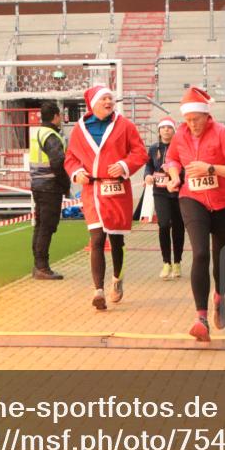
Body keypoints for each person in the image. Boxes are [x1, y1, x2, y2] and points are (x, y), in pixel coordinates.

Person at [164, 86, 225, 341]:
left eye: (196, 119)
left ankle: (219, 297)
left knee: (221, 258)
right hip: (193, 199)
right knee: (200, 253)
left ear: (206, 116)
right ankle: (200, 318)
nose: (192, 125)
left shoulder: (222, 134)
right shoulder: (180, 135)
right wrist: (174, 176)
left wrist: (211, 169)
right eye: (188, 120)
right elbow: (172, 159)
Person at [65, 84, 148, 310]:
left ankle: (117, 279)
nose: (108, 102)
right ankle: (98, 290)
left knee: (116, 240)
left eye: (110, 98)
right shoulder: (80, 129)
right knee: (97, 239)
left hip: (117, 190)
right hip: (92, 190)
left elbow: (140, 152)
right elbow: (70, 157)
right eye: (104, 99)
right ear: (93, 104)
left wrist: (124, 165)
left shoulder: (125, 125)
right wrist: (76, 172)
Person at [29, 101, 70, 280]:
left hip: (37, 185)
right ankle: (42, 267)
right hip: (50, 187)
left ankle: (38, 264)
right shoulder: (51, 136)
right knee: (47, 226)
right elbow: (58, 162)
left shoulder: (37, 133)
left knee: (40, 226)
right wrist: (65, 184)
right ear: (55, 116)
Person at [144, 116, 184, 279]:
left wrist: (175, 173)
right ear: (159, 131)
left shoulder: (181, 147)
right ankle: (166, 262)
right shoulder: (154, 148)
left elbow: (186, 167)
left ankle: (177, 262)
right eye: (163, 127)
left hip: (178, 191)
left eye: (169, 127)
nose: (166, 130)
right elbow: (148, 165)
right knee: (164, 225)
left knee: (178, 226)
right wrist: (147, 175)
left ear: (174, 130)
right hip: (160, 192)